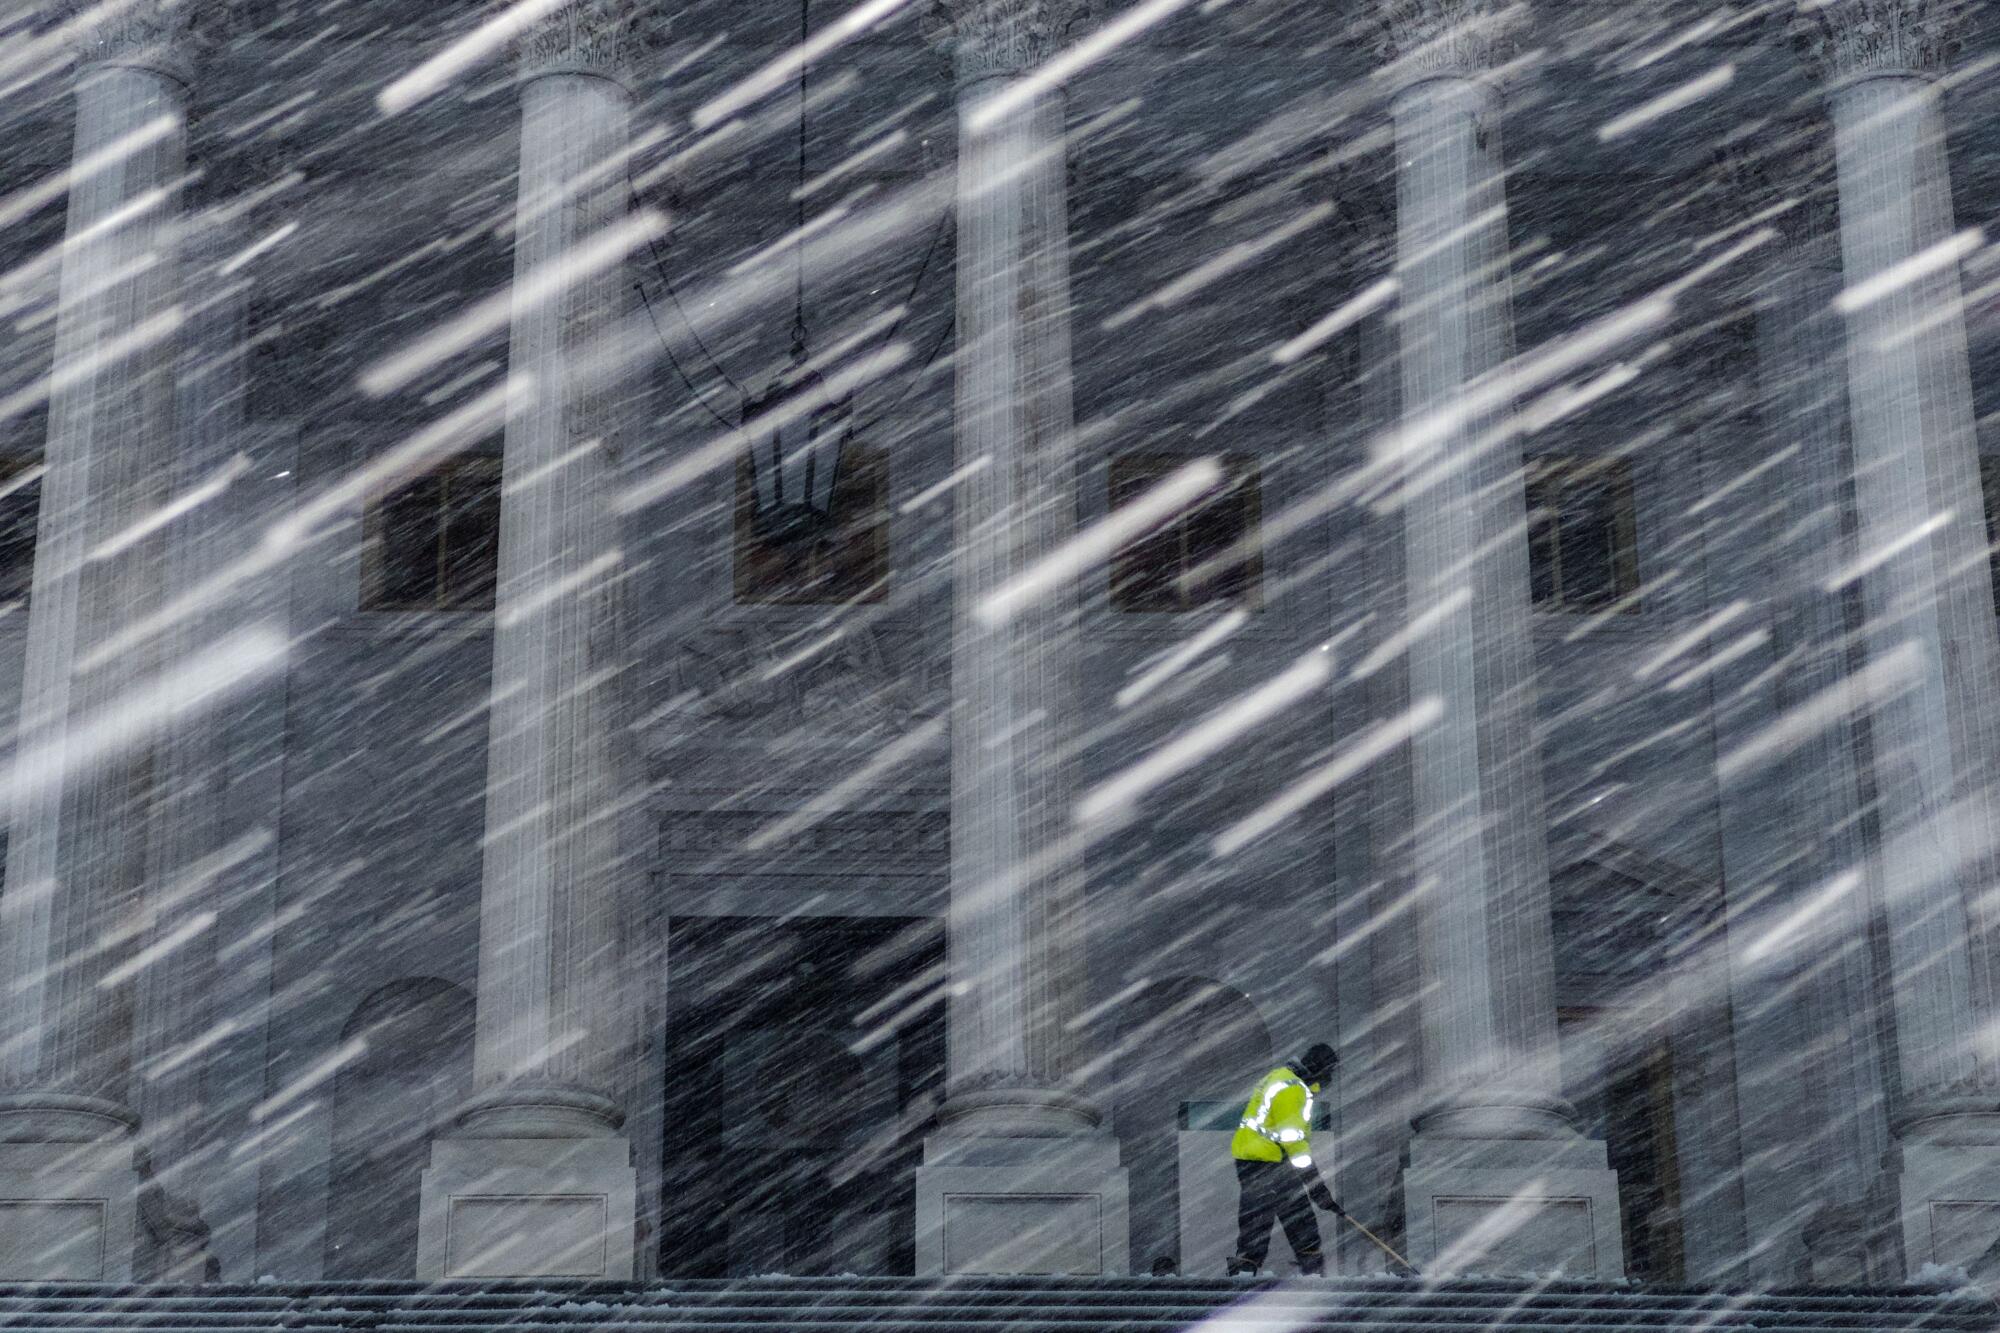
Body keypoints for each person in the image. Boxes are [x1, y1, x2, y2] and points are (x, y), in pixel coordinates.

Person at [1226, 1042, 1340, 1276]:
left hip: (1258, 1161)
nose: (1331, 1077)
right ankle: (1312, 1279)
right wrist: (1318, 1189)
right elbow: (1294, 1143)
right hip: (1267, 1163)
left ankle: (1244, 1273)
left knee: (1260, 1224)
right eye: (1329, 1071)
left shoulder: (1280, 1077)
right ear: (1319, 1068)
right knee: (1295, 1221)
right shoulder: (1293, 1089)